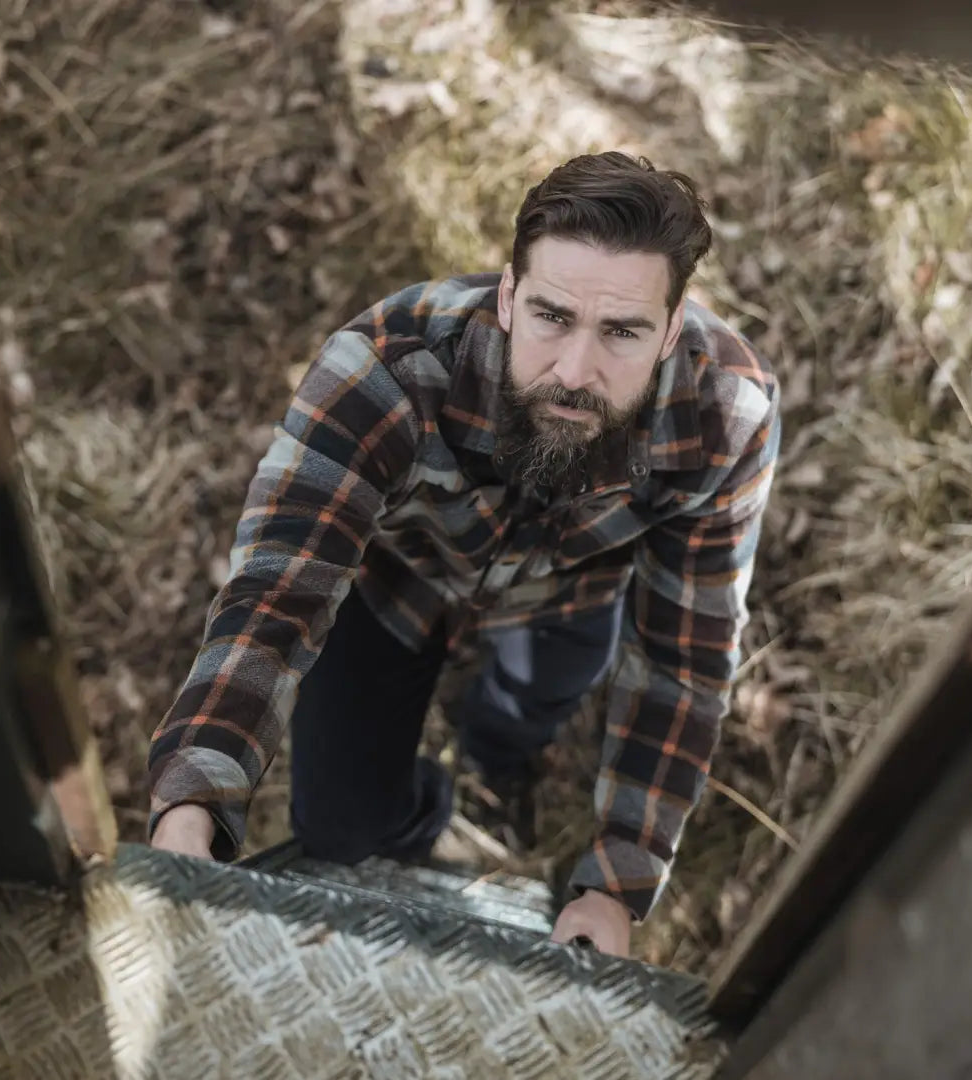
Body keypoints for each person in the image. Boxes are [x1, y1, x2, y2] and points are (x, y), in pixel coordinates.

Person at [147, 151, 780, 957]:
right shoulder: (386, 368)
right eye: (552, 316)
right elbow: (277, 592)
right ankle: (428, 810)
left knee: (521, 716)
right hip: (395, 586)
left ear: (672, 325)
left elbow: (683, 661)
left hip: (568, 597)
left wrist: (616, 885)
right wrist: (191, 804)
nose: (576, 373)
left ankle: (492, 767)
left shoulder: (727, 412)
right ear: (509, 295)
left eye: (622, 331)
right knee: (343, 828)